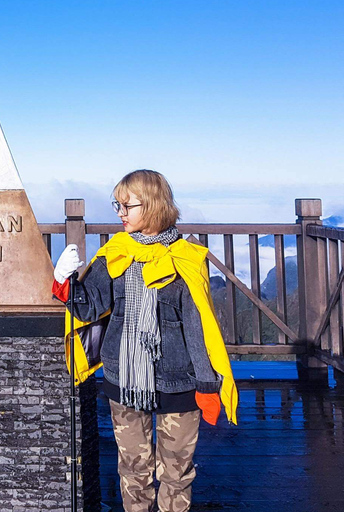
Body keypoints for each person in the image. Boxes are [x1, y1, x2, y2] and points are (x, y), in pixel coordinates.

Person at [51, 169, 237, 512]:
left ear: (151, 206)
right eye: (117, 205)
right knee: (133, 471)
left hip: (179, 381)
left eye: (126, 205)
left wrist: (208, 385)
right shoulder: (116, 252)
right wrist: (65, 282)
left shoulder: (186, 257)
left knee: (177, 474)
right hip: (123, 378)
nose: (119, 213)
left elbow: (197, 327)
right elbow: (89, 307)